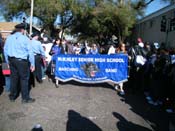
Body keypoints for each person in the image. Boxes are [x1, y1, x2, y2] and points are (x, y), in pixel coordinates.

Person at [3, 23, 35, 103]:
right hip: (22, 61)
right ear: (22, 30)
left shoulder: (9, 38)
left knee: (14, 78)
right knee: (24, 79)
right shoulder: (25, 39)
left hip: (12, 60)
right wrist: (32, 64)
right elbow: (30, 52)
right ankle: (25, 98)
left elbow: (5, 50)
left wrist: (7, 62)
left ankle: (12, 96)